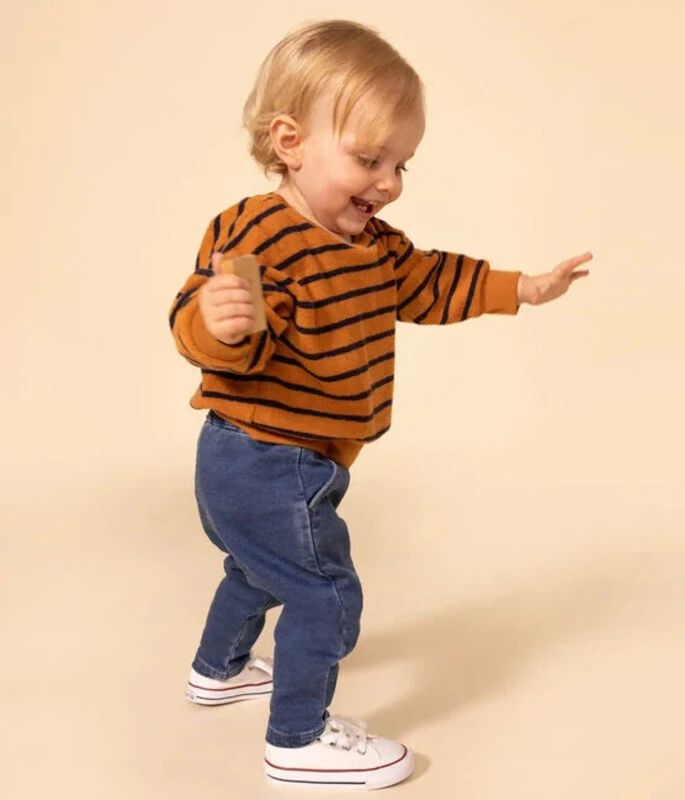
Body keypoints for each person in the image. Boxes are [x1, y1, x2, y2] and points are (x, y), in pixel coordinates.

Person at [169, 18, 591, 790]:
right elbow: (211, 329)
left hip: (285, 462)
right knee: (325, 593)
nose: (388, 182)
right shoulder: (255, 234)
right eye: (368, 160)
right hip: (264, 459)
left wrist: (521, 289)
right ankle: (296, 740)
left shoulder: (373, 247)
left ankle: (217, 670)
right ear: (290, 143)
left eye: (400, 164)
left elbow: (431, 281)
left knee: (259, 571)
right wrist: (218, 323)